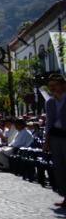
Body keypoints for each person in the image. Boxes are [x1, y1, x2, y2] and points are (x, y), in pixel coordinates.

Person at [44, 73, 66, 207]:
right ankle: (65, 196)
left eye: (54, 85)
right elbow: (49, 122)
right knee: (59, 167)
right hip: (56, 136)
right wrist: (46, 141)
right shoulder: (50, 101)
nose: (52, 88)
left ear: (63, 85)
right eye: (50, 86)